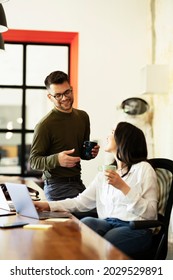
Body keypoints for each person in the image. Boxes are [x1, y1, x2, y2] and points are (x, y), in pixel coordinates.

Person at [34, 122, 158, 258]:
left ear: (123, 139)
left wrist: (123, 187)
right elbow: (81, 202)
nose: (107, 136)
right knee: (85, 224)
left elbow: (151, 214)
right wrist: (48, 205)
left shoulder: (143, 169)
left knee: (104, 243)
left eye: (112, 132)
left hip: (136, 227)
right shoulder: (106, 172)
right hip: (108, 222)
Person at [29, 70, 99, 201]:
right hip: (56, 187)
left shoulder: (83, 117)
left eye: (67, 92)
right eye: (58, 95)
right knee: (92, 216)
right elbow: (34, 161)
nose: (64, 98)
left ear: (71, 89)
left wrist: (90, 153)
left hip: (77, 182)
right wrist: (57, 160)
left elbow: (81, 154)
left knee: (99, 212)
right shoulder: (45, 125)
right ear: (50, 97)